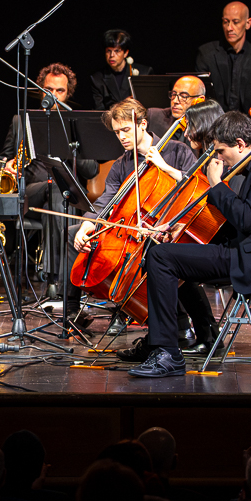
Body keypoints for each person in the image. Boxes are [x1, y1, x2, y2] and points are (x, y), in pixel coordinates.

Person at [131, 111, 251, 377]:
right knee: (163, 253)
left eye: (221, 151)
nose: (219, 158)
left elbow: (246, 218)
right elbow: (239, 221)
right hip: (244, 250)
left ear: (240, 144)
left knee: (161, 257)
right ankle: (178, 341)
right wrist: (181, 229)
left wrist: (215, 183)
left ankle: (167, 353)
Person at [68, 99, 200, 331]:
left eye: (126, 130)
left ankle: (180, 323)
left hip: (174, 228)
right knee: (74, 233)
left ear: (143, 124)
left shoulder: (178, 150)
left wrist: (165, 168)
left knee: (155, 253)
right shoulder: (122, 164)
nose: (122, 137)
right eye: (117, 132)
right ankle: (74, 311)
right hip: (135, 229)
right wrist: (88, 223)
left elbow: (195, 188)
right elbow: (107, 199)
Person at [0, 63, 99, 307]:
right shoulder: (21, 121)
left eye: (60, 91)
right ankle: (61, 283)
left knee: (59, 192)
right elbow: (0, 160)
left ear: (68, 94)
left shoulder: (74, 124)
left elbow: (92, 170)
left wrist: (69, 146)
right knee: (56, 190)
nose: (53, 95)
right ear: (40, 90)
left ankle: (57, 282)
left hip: (63, 194)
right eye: (48, 89)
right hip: (29, 193)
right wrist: (7, 166)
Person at [194, 1, 251, 123]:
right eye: (226, 22)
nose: (229, 28)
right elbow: (200, 97)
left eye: (235, 22)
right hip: (214, 125)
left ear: (248, 23)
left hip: (248, 127)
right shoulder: (206, 53)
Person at [89, 29, 140, 110]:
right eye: (108, 51)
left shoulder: (144, 72)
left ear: (126, 53)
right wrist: (123, 104)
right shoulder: (97, 79)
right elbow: (98, 111)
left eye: (117, 51)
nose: (112, 55)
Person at [146, 75, 206, 140]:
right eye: (173, 94)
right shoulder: (154, 116)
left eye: (183, 96)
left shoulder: (207, 126)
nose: (175, 101)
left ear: (200, 99)